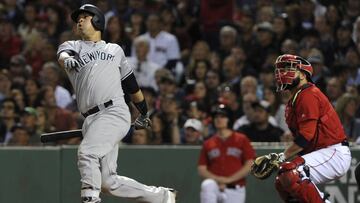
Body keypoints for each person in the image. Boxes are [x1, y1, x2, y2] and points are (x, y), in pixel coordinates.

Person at [56, 4, 176, 203]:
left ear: (97, 20)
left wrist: (144, 112)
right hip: (91, 119)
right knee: (107, 182)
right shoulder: (72, 46)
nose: (79, 20)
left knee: (87, 153)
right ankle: (163, 197)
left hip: (114, 111)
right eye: (78, 18)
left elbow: (132, 86)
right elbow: (63, 55)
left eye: (85, 17)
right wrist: (65, 59)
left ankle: (90, 201)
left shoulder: (114, 49)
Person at [270, 54, 351, 202]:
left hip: (333, 152)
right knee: (282, 181)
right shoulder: (293, 101)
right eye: (281, 70)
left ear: (302, 73)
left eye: (288, 68)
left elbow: (306, 135)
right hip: (322, 152)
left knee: (291, 172)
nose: (282, 73)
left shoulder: (308, 93)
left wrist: (282, 157)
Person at [198, 104, 255, 203]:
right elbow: (201, 169)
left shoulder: (241, 139)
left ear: (229, 119)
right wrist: (219, 180)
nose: (219, 119)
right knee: (207, 185)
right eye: (216, 117)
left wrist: (229, 180)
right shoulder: (208, 143)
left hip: (235, 188)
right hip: (216, 186)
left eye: (223, 116)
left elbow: (250, 164)